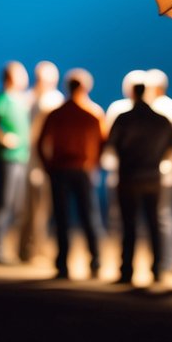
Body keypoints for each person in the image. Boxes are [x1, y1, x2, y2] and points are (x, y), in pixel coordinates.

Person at [105, 80, 172, 286]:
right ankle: (157, 269)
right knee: (154, 223)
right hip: (153, 177)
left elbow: (110, 145)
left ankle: (127, 270)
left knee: (129, 225)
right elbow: (171, 147)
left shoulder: (123, 119)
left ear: (132, 94)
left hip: (128, 177)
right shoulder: (162, 120)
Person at [37, 67, 106, 279]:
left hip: (60, 170)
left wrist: (48, 166)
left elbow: (40, 142)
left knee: (62, 217)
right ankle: (95, 260)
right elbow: (104, 143)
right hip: (82, 170)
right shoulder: (93, 114)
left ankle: (63, 262)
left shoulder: (56, 114)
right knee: (89, 216)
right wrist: (94, 164)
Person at [0, 60, 31, 265]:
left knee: (16, 205)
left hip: (21, 158)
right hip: (7, 159)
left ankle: (8, 249)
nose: (25, 78)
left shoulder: (20, 100)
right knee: (3, 203)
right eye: (21, 74)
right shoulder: (1, 99)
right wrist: (3, 138)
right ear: (11, 77)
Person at [18, 60, 65, 264]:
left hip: (46, 161)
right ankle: (25, 248)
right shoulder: (29, 99)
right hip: (31, 160)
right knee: (29, 207)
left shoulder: (54, 99)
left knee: (43, 207)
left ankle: (38, 246)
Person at [101, 69, 150, 235]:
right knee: (123, 214)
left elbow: (110, 141)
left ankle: (127, 254)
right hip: (139, 171)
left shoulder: (120, 113)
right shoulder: (119, 110)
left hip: (127, 171)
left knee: (127, 215)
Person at [146, 68, 172, 276]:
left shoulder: (165, 109)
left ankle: (168, 260)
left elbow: (169, 143)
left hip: (163, 171)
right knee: (164, 215)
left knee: (163, 216)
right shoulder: (171, 108)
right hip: (164, 170)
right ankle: (168, 259)